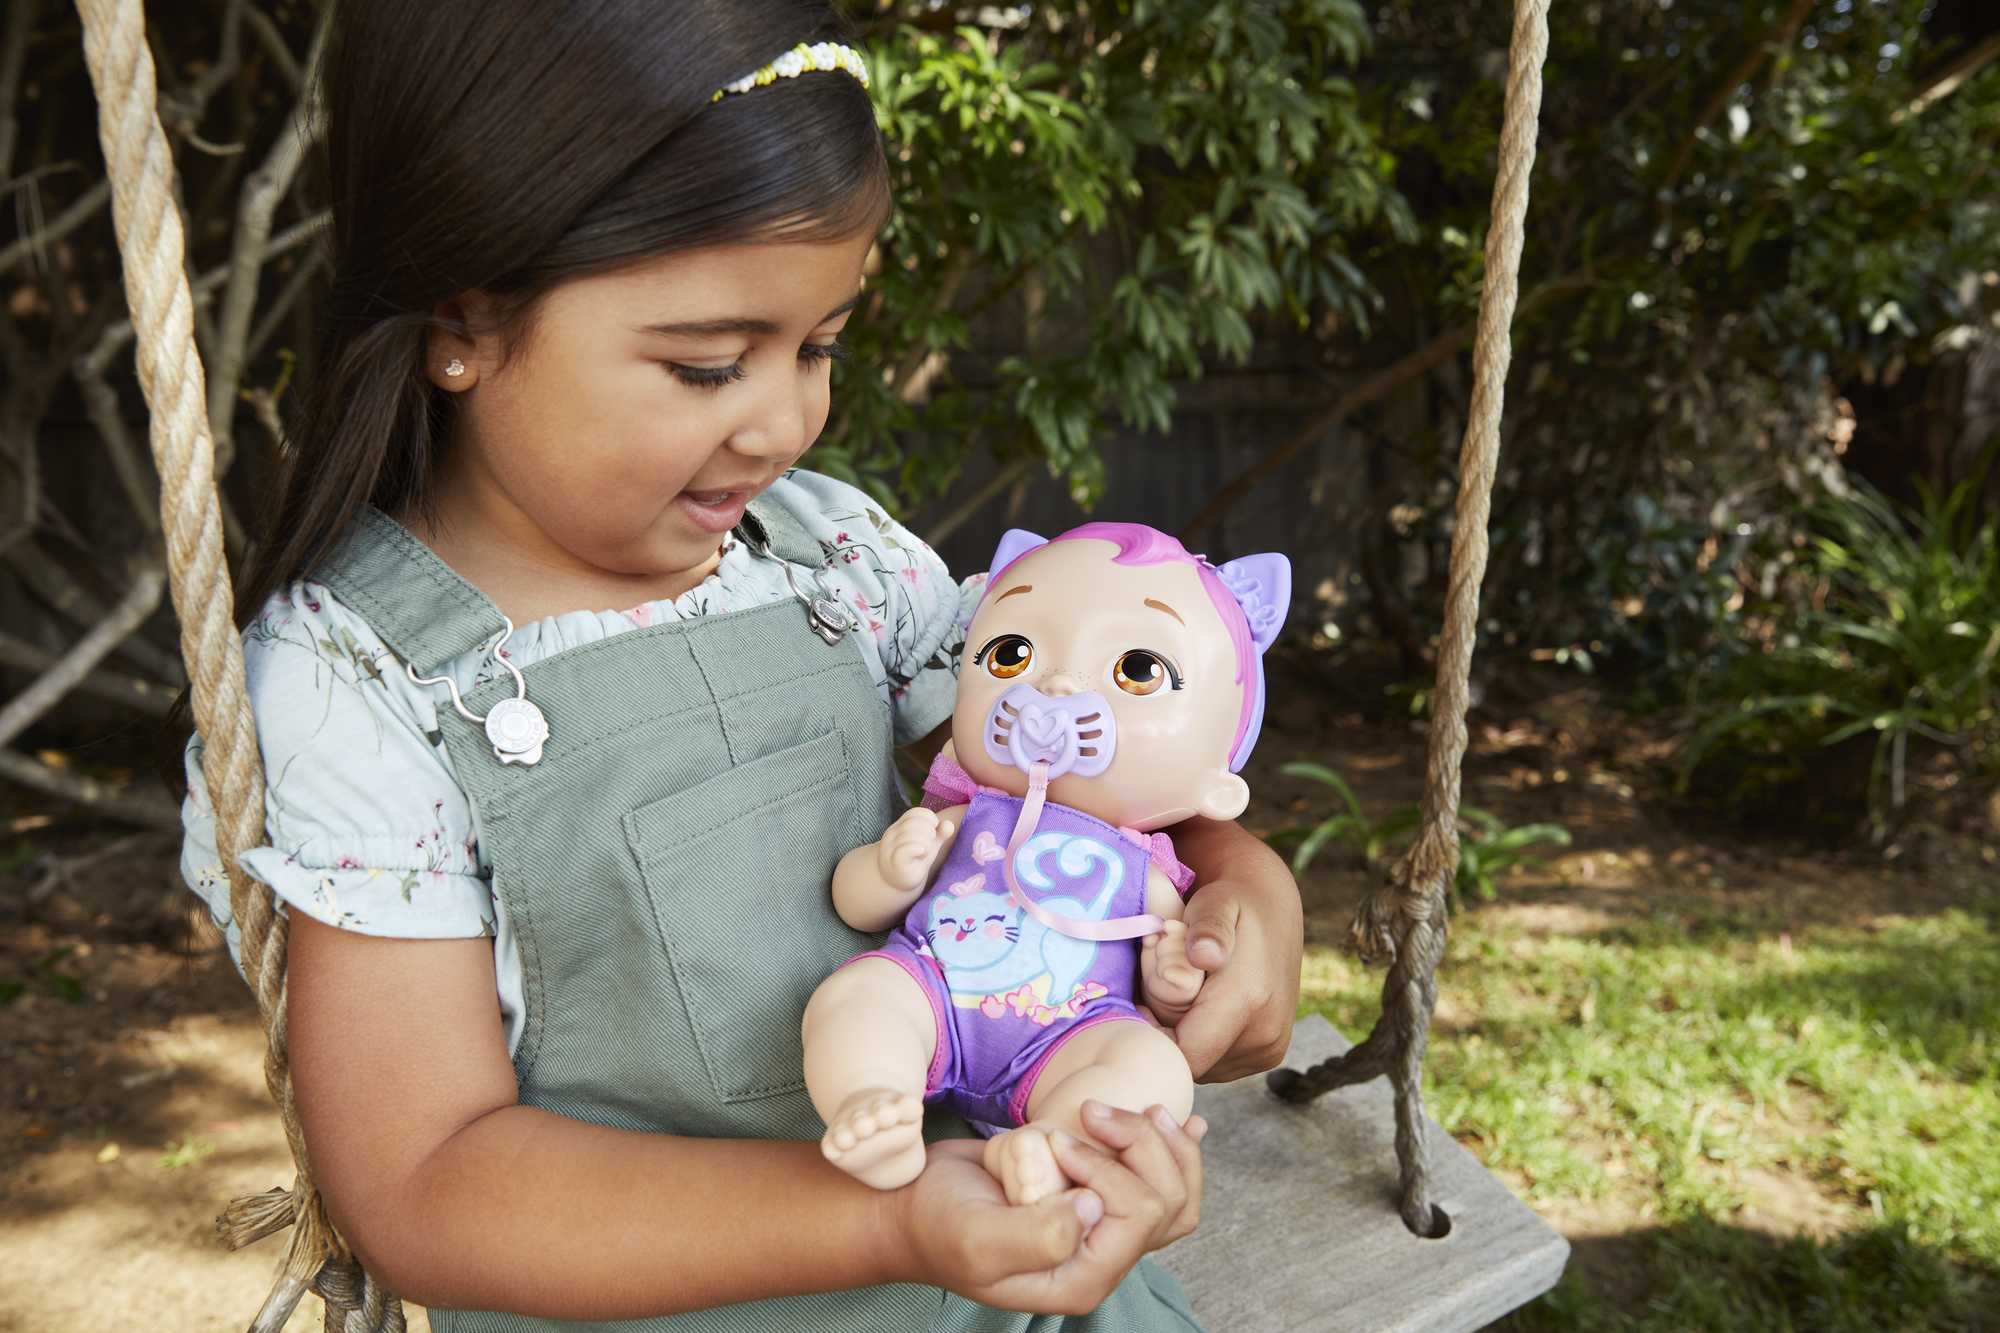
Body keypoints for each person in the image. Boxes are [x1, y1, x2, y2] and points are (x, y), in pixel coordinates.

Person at [178, 3, 1303, 1328]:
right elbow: (427, 1178)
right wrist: (886, 1217)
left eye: (820, 344)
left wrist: (1248, 893)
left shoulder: (830, 560)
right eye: (710, 364)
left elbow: (1076, 748)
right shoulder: (356, 683)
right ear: (465, 319)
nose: (785, 420)